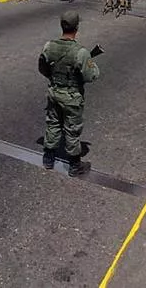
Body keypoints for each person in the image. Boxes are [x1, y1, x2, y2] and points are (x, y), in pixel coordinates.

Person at [38, 10, 100, 177]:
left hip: (54, 91)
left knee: (52, 123)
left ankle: (48, 158)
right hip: (72, 97)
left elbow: (42, 68)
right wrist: (91, 64)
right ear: (77, 27)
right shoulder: (81, 52)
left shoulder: (49, 46)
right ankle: (74, 165)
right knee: (72, 130)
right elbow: (91, 76)